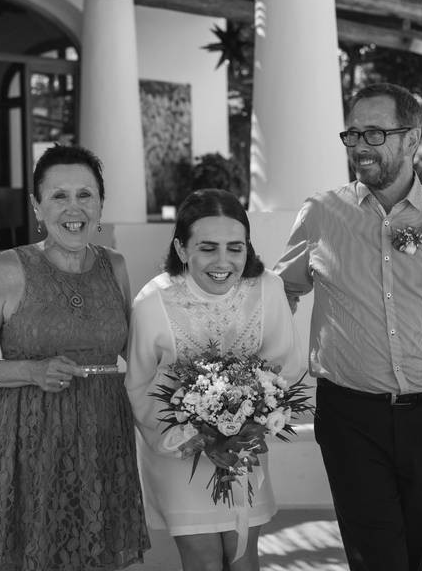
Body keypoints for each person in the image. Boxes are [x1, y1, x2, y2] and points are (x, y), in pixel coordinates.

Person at [274, 82, 422, 571]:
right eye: (353, 133)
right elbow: (279, 296)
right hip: (348, 419)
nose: (360, 145)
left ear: (411, 139)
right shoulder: (320, 214)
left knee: (412, 556)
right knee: (379, 560)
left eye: (375, 133)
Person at [0, 144, 150, 570]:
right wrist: (30, 370)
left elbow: (136, 352)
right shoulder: (8, 268)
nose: (73, 207)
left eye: (85, 194)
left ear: (100, 204)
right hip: (32, 435)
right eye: (59, 195)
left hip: (104, 432)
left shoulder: (115, 266)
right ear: (37, 206)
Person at [125, 188, 304, 571]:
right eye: (207, 248)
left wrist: (251, 425)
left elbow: (284, 368)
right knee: (205, 562)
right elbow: (138, 386)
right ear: (181, 248)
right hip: (178, 453)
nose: (223, 261)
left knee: (242, 559)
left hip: (245, 451)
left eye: (235, 247)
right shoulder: (152, 301)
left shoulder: (268, 290)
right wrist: (194, 438)